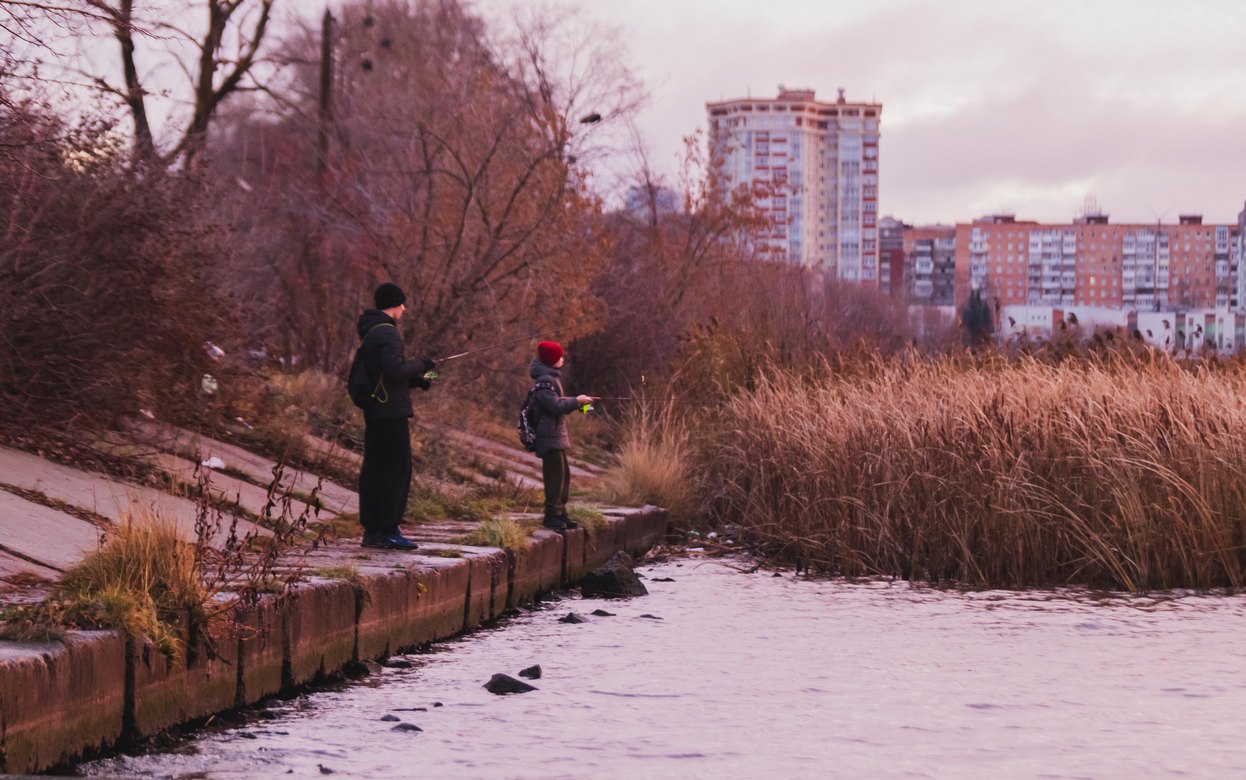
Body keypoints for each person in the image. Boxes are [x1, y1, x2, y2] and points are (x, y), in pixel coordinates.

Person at [355, 282, 434, 550]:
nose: (404, 308)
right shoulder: (388, 333)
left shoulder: (372, 330)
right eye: (402, 303)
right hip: (391, 415)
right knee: (396, 470)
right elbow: (393, 370)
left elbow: (387, 375)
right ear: (394, 304)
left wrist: (420, 379)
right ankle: (388, 530)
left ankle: (373, 530)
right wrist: (421, 363)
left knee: (375, 468)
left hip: (378, 411)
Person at [529, 341, 594, 531]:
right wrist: (577, 401)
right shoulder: (545, 382)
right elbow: (554, 406)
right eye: (559, 356)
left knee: (564, 476)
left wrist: (582, 405)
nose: (563, 359)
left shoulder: (551, 379)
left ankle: (560, 513)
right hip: (548, 437)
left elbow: (559, 403)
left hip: (557, 435)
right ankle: (551, 516)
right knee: (555, 477)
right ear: (551, 361)